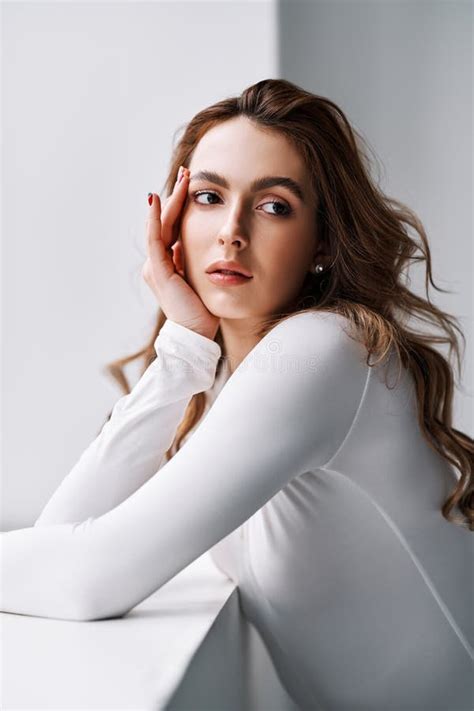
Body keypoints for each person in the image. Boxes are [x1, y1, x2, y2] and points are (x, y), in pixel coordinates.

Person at [1, 78, 473, 710]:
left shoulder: (324, 351)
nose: (231, 231)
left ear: (323, 244)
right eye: (207, 196)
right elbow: (63, 541)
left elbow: (86, 579)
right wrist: (184, 347)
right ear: (171, 219)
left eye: (274, 205)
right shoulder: (222, 380)